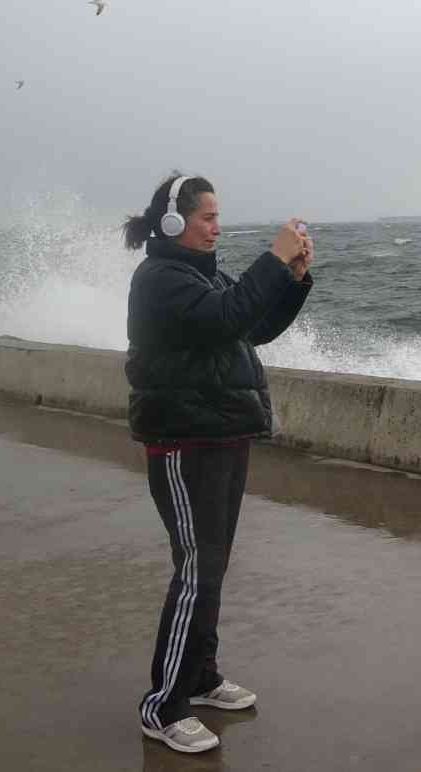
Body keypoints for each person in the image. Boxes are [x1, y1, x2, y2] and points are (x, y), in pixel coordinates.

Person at [121, 174, 314, 754]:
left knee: (214, 566)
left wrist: (293, 280)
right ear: (175, 223)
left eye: (216, 215)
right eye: (207, 216)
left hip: (223, 433)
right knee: (195, 571)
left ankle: (200, 676)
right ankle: (163, 705)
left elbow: (253, 327)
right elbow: (226, 316)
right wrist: (271, 259)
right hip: (183, 441)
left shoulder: (201, 276)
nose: (216, 225)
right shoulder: (160, 278)